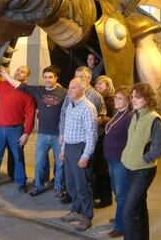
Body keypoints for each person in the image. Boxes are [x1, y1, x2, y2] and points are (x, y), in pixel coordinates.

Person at [0, 65, 67, 198]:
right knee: (39, 162)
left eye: (50, 77)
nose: (47, 80)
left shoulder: (64, 93)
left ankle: (59, 187)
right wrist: (5, 75)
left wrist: (64, 134)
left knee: (60, 163)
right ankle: (38, 186)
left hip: (58, 135)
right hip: (42, 134)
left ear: (56, 78)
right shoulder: (38, 91)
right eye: (45, 77)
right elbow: (19, 86)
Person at [0, 66, 36, 193]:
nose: (18, 72)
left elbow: (31, 114)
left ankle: (21, 182)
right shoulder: (3, 84)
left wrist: (27, 133)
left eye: (22, 72)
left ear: (26, 77)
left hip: (16, 130)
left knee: (18, 157)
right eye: (17, 70)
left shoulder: (28, 92)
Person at [121, 83, 161, 240]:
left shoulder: (154, 119)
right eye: (132, 97)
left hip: (143, 171)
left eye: (137, 97)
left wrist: (144, 159)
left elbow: (158, 149)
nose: (134, 100)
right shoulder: (135, 115)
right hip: (129, 167)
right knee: (139, 208)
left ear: (147, 98)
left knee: (128, 212)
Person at [59, 66, 106, 204]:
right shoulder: (70, 100)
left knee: (83, 181)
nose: (70, 90)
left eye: (81, 77)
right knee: (71, 180)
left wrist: (86, 153)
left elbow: (99, 119)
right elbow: (64, 116)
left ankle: (86, 212)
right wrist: (63, 139)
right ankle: (75, 206)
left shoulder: (93, 99)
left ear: (88, 79)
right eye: (76, 76)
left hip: (83, 143)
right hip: (69, 144)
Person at [59, 77, 98, 232]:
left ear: (82, 90)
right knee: (70, 184)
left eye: (74, 88)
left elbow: (92, 134)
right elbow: (67, 129)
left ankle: (87, 216)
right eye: (69, 87)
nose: (70, 90)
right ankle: (76, 210)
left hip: (80, 149)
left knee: (82, 185)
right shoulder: (70, 105)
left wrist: (86, 155)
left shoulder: (88, 108)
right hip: (69, 147)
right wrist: (63, 150)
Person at [103, 86, 133, 238]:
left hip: (120, 162)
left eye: (120, 98)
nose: (116, 100)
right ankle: (120, 216)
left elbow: (131, 141)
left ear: (128, 101)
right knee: (116, 191)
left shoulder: (129, 117)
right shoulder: (117, 113)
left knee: (121, 194)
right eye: (116, 98)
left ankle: (120, 226)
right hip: (111, 160)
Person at [93, 75, 116, 209]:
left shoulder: (111, 100)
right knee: (96, 167)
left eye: (102, 84)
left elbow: (115, 119)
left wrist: (103, 119)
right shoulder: (97, 99)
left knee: (103, 169)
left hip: (106, 137)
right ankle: (98, 193)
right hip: (97, 135)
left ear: (108, 86)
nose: (99, 86)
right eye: (97, 84)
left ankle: (106, 198)